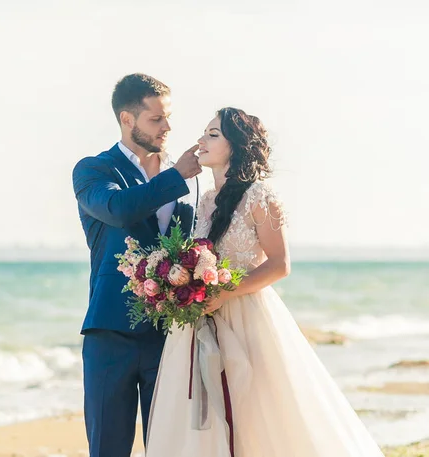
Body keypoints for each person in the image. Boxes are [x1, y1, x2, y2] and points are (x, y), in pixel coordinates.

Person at [145, 107, 385, 457]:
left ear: (237, 145)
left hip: (246, 317)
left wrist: (223, 292)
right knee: (204, 417)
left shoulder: (260, 195)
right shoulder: (206, 200)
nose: (201, 141)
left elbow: (279, 264)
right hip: (200, 324)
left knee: (258, 413)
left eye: (213, 134)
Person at [72, 73, 201, 457]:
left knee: (168, 448)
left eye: (168, 117)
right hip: (111, 334)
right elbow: (119, 210)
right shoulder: (94, 170)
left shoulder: (183, 178)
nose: (167, 127)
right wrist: (177, 176)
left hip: (167, 335)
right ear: (127, 119)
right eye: (156, 119)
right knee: (108, 449)